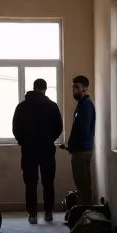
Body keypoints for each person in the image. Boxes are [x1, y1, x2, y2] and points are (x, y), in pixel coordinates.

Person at [12, 78, 63, 224]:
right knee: (48, 182)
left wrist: (24, 142)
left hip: (29, 150)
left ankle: (32, 214)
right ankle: (48, 212)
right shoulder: (52, 106)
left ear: (33, 88)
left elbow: (16, 128)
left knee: (30, 183)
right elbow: (59, 128)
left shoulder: (22, 107)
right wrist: (49, 139)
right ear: (45, 89)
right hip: (47, 150)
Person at [61, 74, 96, 204]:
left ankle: (86, 210)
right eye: (73, 87)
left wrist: (73, 146)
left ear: (84, 88)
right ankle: (84, 209)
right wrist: (70, 146)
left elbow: (83, 131)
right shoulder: (81, 105)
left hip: (81, 151)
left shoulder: (86, 105)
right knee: (81, 183)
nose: (74, 90)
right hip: (79, 150)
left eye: (77, 87)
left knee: (82, 184)